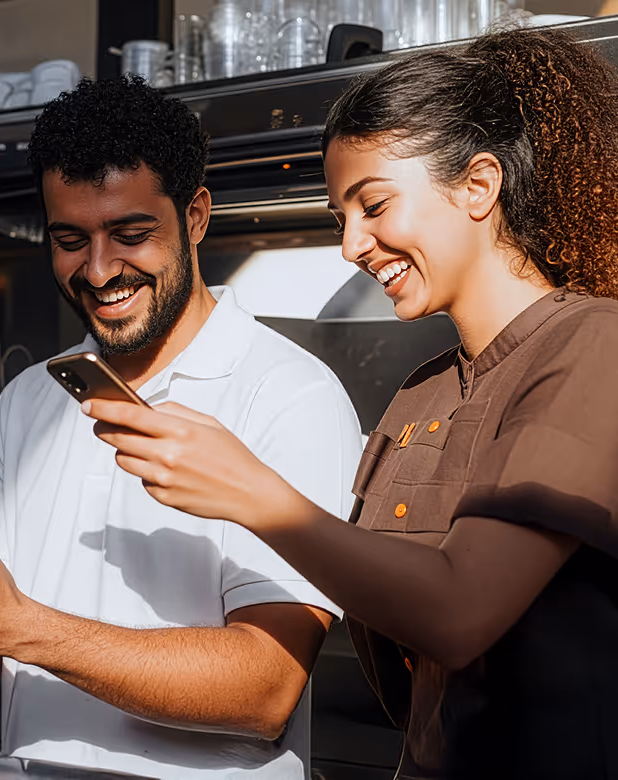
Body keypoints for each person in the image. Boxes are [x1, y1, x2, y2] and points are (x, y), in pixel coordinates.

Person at [79, 28, 618, 780]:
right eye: (340, 216)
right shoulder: (422, 390)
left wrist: (252, 494)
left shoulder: (595, 346)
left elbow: (460, 615)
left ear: (478, 185)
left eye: (373, 204)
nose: (352, 245)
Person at [0, 77, 362, 779]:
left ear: (194, 217)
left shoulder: (288, 393)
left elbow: (265, 689)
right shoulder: (28, 401)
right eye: (70, 239)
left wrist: (20, 627)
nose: (98, 271)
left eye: (130, 234)